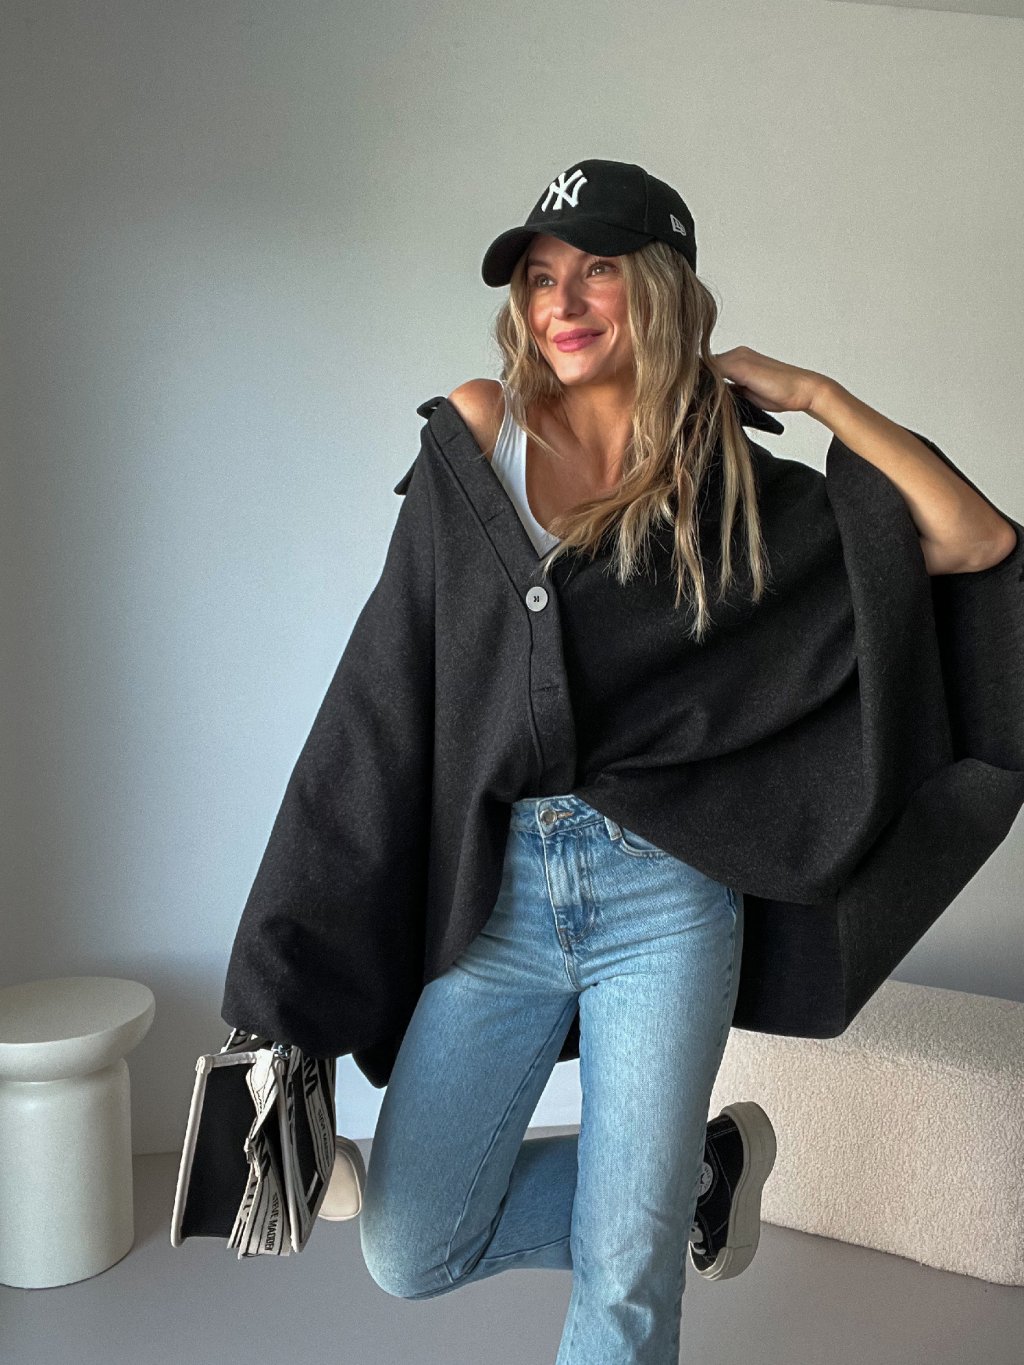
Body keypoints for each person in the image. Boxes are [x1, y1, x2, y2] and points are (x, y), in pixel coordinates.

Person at [356, 159, 783, 1363]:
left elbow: (966, 545)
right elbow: (390, 676)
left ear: (659, 286)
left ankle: (649, 1208)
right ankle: (689, 1179)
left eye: (597, 268)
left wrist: (811, 391)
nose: (563, 300)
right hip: (502, 889)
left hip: (667, 893)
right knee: (409, 1245)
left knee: (625, 1279)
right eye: (541, 276)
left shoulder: (714, 462)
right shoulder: (477, 431)